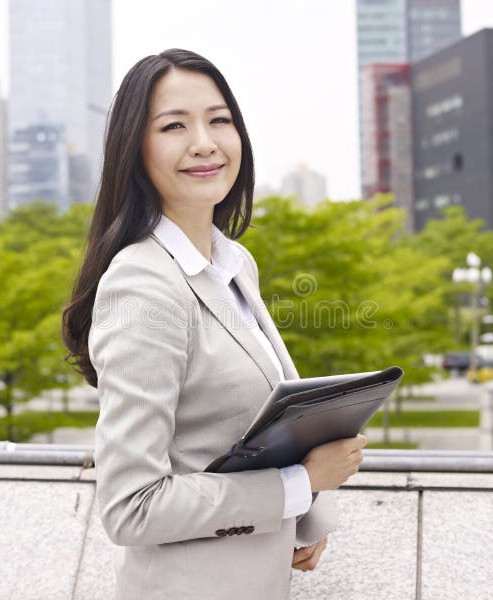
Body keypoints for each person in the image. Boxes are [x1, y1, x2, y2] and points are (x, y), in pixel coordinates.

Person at [62, 48, 367, 600]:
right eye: (174, 125)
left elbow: (255, 425)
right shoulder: (142, 283)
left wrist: (307, 518)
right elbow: (130, 507)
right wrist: (299, 486)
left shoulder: (232, 262)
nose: (204, 141)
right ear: (135, 151)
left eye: (219, 119)